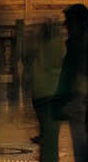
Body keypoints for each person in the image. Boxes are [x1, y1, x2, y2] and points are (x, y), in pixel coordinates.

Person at [58, 3, 88, 162]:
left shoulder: (79, 43)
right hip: (84, 101)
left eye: (69, 22)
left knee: (83, 144)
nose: (66, 26)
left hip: (80, 101)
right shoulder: (86, 39)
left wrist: (63, 97)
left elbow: (71, 72)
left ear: (80, 23)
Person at [29, 20, 63, 162]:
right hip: (52, 94)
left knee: (46, 135)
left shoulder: (38, 46)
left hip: (39, 95)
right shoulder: (58, 45)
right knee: (51, 139)